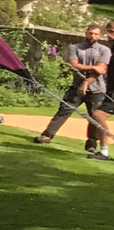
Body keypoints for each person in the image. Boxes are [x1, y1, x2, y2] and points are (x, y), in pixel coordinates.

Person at [35, 24, 113, 159]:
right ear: (86, 33)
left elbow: (102, 69)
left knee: (96, 115)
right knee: (66, 109)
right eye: (90, 33)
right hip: (77, 86)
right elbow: (74, 64)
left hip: (98, 88)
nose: (93, 36)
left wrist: (87, 78)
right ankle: (47, 134)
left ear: (99, 36)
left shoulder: (105, 50)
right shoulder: (75, 47)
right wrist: (93, 67)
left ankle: (93, 143)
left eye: (96, 34)